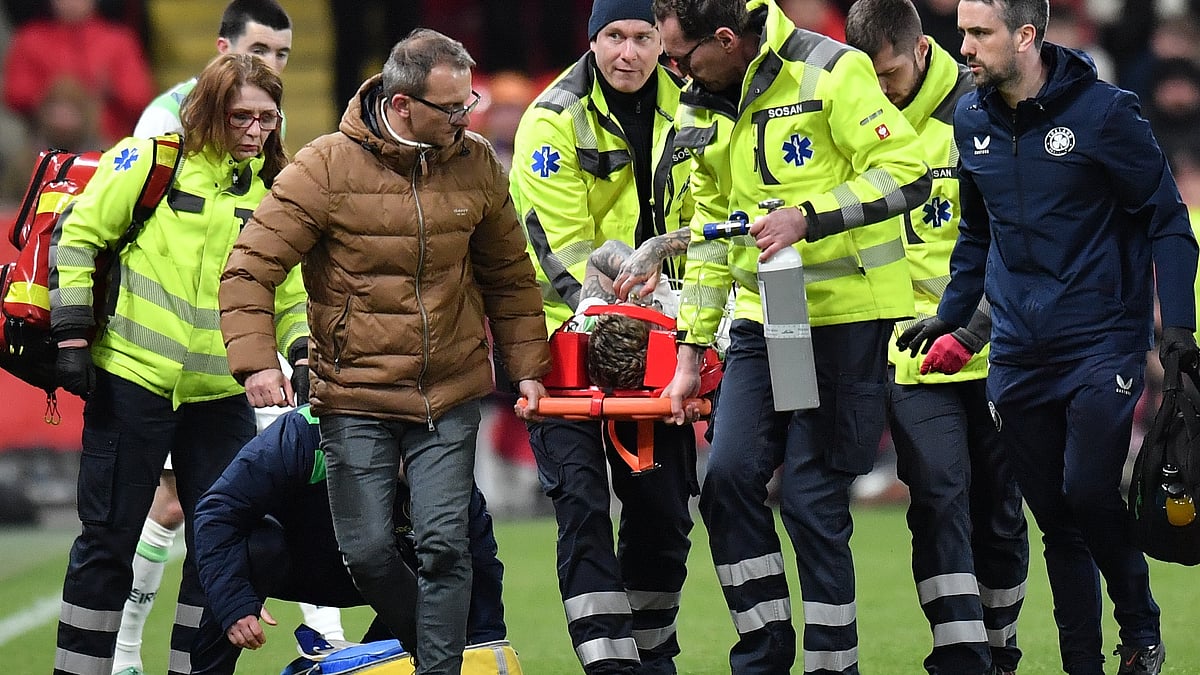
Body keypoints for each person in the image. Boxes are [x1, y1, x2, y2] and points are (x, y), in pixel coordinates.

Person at [218, 28, 551, 675]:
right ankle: (437, 655)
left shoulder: (477, 162)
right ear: (401, 106)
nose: (465, 118)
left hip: (449, 395)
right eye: (451, 107)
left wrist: (529, 372)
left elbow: (510, 275)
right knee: (369, 551)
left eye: (468, 103)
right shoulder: (323, 167)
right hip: (356, 396)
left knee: (446, 547)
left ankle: (437, 671)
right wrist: (257, 360)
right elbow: (249, 267)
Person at [897, 1, 1199, 674]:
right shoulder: (971, 119)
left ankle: (1140, 627)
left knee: (1089, 491)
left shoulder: (1105, 114)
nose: (963, 46)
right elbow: (978, 233)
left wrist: (1177, 329)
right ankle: (1083, 663)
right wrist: (951, 313)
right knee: (1058, 518)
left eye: (979, 33)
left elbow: (1168, 221)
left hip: (1100, 344)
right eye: (964, 31)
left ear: (1026, 35)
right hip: (1016, 351)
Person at [651, 0, 931, 673]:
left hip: (846, 319)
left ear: (723, 39)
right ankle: (764, 654)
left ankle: (833, 665)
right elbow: (711, 234)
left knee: (810, 500)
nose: (671, 70)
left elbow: (909, 173)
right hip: (763, 318)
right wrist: (691, 353)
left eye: (677, 56)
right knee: (726, 478)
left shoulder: (833, 70)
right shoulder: (700, 99)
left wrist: (809, 216)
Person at [49, 53, 307, 675]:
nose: (255, 129)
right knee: (107, 546)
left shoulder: (276, 188)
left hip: (221, 394)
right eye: (241, 115)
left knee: (226, 547)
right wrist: (72, 335)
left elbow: (292, 293)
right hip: (132, 382)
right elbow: (77, 236)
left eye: (267, 117)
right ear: (211, 111)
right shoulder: (151, 159)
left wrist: (299, 351)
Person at [507, 1, 697, 671]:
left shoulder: (696, 103)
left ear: (662, 40)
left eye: (643, 36)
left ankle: (652, 655)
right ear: (592, 41)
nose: (629, 51)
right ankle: (610, 664)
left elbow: (708, 216)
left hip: (665, 339)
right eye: (614, 36)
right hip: (562, 341)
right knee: (583, 505)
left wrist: (681, 308)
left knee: (664, 510)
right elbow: (555, 246)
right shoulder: (552, 117)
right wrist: (613, 306)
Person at [843, 2, 1029, 673]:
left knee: (999, 508)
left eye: (889, 73)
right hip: (910, 350)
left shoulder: (986, 107)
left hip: (998, 341)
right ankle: (959, 652)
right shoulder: (858, 114)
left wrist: (978, 323)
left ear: (921, 49)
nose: (882, 89)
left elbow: (1017, 237)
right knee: (939, 492)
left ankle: (1000, 645)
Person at [191, 404, 508, 673]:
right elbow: (217, 511)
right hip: (292, 559)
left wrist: (489, 648)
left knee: (447, 566)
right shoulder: (305, 433)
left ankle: (379, 664)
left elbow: (478, 565)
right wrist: (233, 603)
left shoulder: (444, 465)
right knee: (256, 550)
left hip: (385, 570)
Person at [2, 0, 154, 145]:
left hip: (108, 141)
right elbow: (14, 93)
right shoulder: (31, 38)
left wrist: (111, 89)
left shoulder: (119, 40)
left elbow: (140, 98)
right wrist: (56, 96)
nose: (72, 3)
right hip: (41, 139)